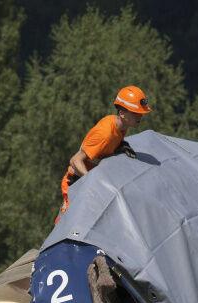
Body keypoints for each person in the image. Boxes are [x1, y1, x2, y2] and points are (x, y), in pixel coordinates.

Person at [57, 85, 151, 222]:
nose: (140, 116)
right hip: (75, 183)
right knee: (67, 226)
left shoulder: (121, 126)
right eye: (136, 112)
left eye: (141, 113)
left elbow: (104, 149)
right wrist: (92, 180)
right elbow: (75, 160)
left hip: (88, 181)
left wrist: (120, 146)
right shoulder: (105, 133)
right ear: (122, 113)